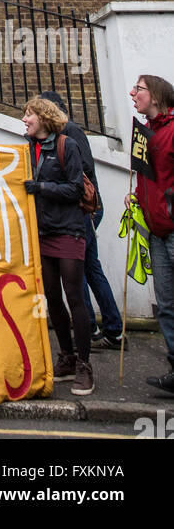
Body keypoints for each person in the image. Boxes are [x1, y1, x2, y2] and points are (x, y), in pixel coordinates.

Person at [39, 90, 124, 352]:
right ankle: (108, 329)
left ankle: (99, 327)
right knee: (88, 267)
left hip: (83, 209)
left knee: (83, 268)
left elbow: (83, 170)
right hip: (79, 208)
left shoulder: (70, 132)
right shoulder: (61, 133)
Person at [22, 94, 94, 396]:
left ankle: (84, 366)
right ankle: (65, 356)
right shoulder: (28, 149)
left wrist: (42, 187)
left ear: (43, 118)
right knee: (52, 296)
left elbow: (76, 188)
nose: (24, 119)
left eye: (29, 115)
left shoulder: (68, 146)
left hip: (69, 229)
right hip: (43, 231)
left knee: (74, 295)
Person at [130, 74, 174, 397]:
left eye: (139, 89)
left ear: (156, 97)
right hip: (156, 232)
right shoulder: (144, 134)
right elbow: (146, 176)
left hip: (172, 227)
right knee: (167, 305)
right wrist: (137, 197)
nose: (133, 93)